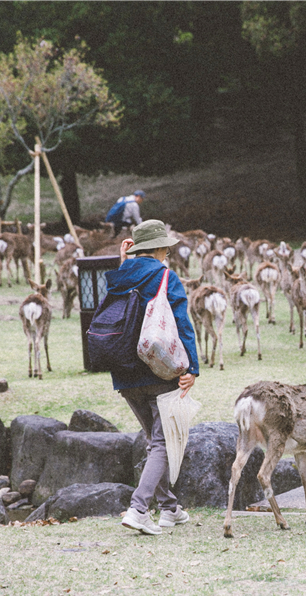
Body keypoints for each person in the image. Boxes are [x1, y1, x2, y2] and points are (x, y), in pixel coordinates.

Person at [105, 219, 199, 535]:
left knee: (154, 441)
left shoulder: (118, 277)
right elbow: (183, 324)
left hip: (123, 372)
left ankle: (170, 508)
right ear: (160, 248)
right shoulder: (166, 277)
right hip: (159, 370)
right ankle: (139, 508)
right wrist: (193, 368)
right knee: (161, 442)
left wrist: (123, 260)